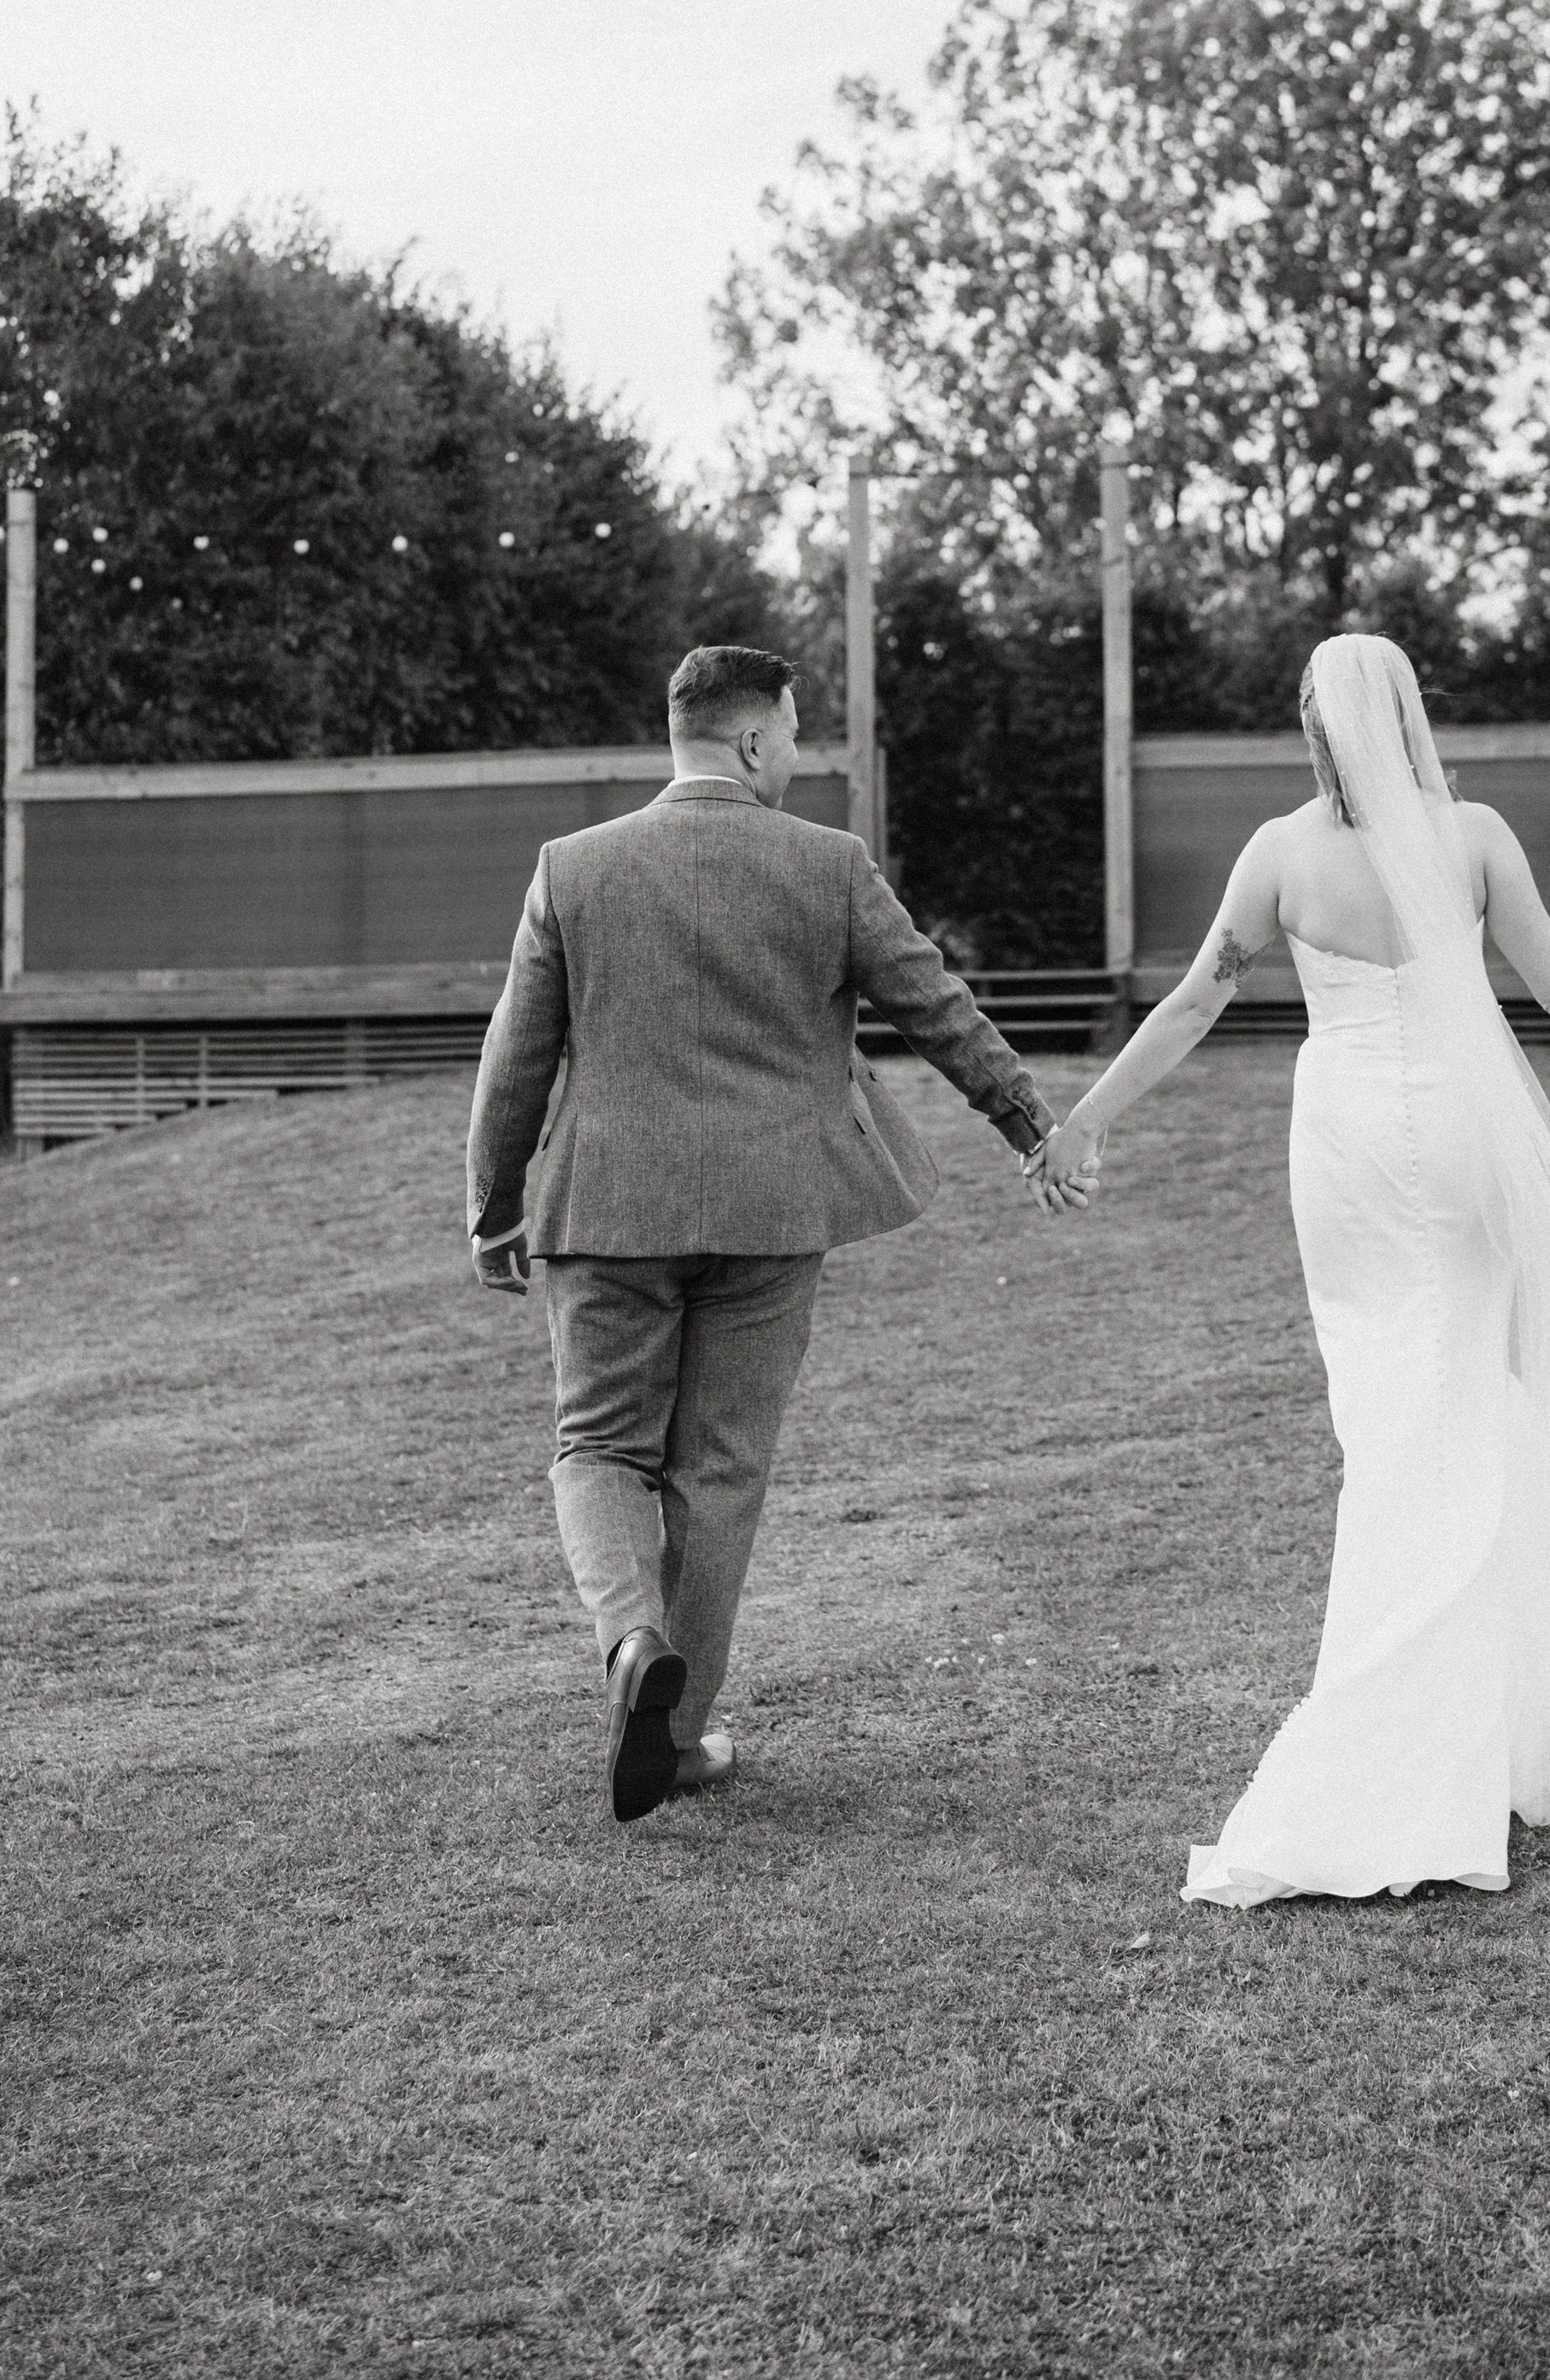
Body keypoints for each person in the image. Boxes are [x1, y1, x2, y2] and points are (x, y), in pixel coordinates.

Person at [1030, 633, 1550, 1907]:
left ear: (1317, 727)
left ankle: (1439, 1679)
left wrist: (1087, 1116)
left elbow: (1194, 1003)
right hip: (1464, 1139)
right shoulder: (1473, 836)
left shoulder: (1280, 853)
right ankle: (1507, 1680)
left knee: (1393, 1411)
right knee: (1465, 1385)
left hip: (1352, 1147)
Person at [466, 643, 1092, 1826]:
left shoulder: (573, 869)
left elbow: (517, 1055)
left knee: (598, 1447)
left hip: (606, 1210)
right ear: (752, 741)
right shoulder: (830, 867)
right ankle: (683, 1729)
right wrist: (1027, 1121)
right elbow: (936, 1006)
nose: (798, 755)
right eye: (795, 734)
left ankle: (628, 1644)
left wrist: (493, 1202)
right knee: (719, 1472)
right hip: (772, 1211)